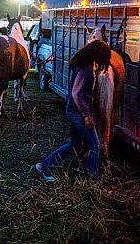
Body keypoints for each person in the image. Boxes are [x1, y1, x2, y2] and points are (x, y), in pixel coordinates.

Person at [35, 40, 111, 182]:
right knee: (94, 145)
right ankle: (92, 179)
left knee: (74, 145)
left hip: (73, 110)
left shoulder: (81, 65)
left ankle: (45, 165)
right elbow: (77, 93)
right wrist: (86, 115)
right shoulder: (86, 68)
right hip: (78, 113)